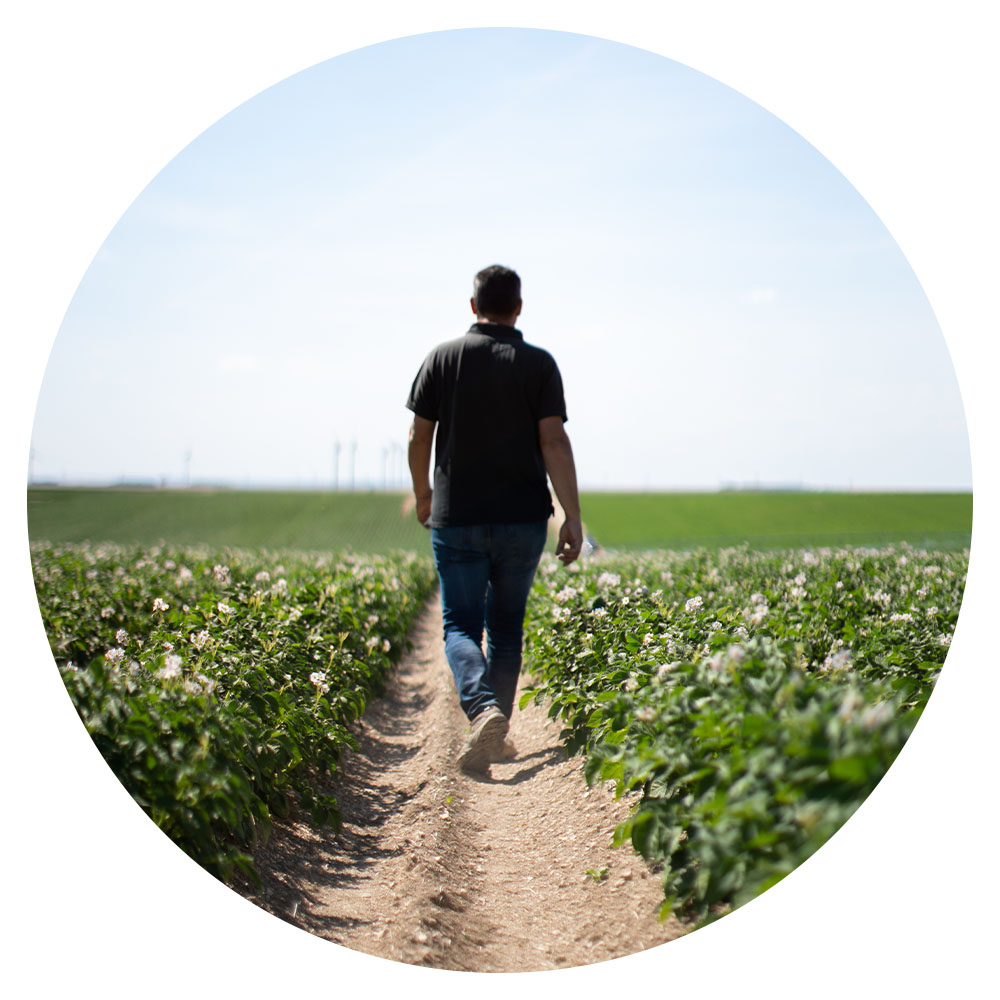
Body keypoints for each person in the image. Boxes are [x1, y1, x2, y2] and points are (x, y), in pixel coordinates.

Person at [406, 264, 583, 773]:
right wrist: (572, 516)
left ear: (472, 305)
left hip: (457, 516)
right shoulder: (539, 365)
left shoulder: (442, 358)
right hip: (523, 519)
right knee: (506, 627)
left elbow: (419, 436)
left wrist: (423, 494)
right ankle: (496, 724)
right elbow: (554, 440)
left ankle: (483, 713)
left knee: (461, 623)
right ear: (519, 308)